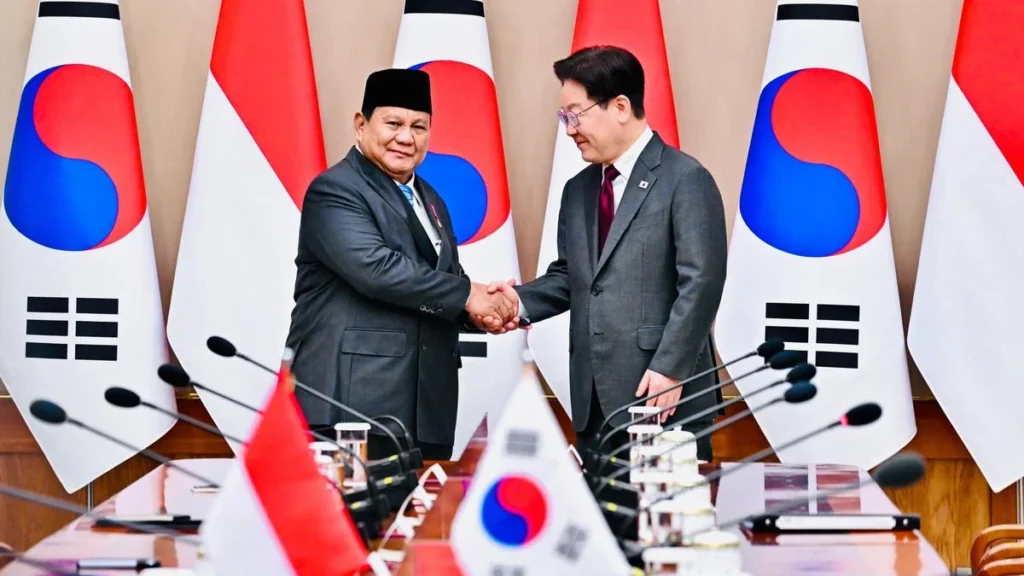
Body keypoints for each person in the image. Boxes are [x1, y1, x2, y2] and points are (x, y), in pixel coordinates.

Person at [488, 46, 728, 463]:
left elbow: (702, 282)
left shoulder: (685, 178)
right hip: (593, 399)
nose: (569, 130)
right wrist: (515, 302)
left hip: (661, 393)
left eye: (576, 115)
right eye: (564, 117)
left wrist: (670, 368)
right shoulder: (578, 190)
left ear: (620, 107)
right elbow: (573, 276)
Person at [285, 68, 517, 461]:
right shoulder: (335, 190)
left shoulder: (432, 199)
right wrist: (468, 295)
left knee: (422, 503)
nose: (406, 137)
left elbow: (444, 282)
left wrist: (480, 313)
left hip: (426, 407)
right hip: (353, 405)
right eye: (393, 123)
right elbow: (376, 270)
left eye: (418, 127)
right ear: (361, 125)